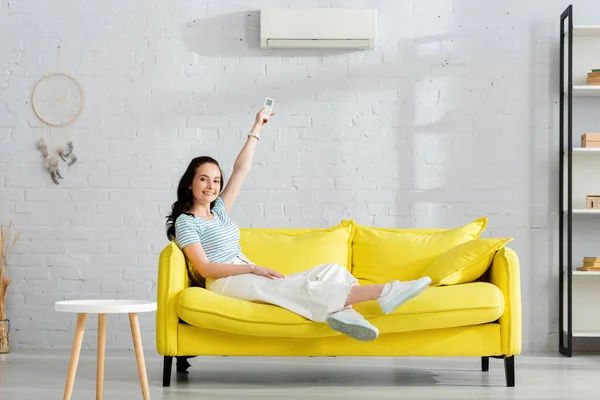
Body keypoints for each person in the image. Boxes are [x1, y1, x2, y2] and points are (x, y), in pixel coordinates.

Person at [165, 108, 432, 342]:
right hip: (225, 282)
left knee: (330, 271)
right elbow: (205, 267)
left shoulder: (219, 211)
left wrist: (256, 127)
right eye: (203, 179)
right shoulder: (186, 223)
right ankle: (388, 291)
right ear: (190, 183)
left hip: (244, 273)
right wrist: (253, 267)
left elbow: (241, 170)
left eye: (215, 180)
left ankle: (342, 313)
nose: (211, 186)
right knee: (296, 287)